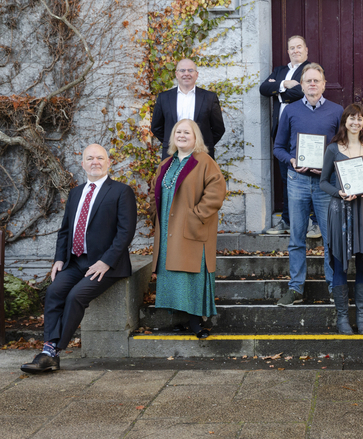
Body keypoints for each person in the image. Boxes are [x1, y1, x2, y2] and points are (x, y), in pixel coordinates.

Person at [21, 144, 137, 374]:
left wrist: (106, 261)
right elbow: (65, 230)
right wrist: (58, 260)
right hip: (75, 261)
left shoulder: (121, 191)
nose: (95, 162)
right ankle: (48, 352)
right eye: (90, 158)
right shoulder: (76, 192)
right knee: (54, 291)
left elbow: (126, 232)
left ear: (108, 163)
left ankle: (51, 352)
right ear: (82, 163)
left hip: (106, 265)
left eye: (100, 158)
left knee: (75, 296)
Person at [273, 63, 343, 306]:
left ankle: (335, 287)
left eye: (317, 81)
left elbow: (343, 149)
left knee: (331, 237)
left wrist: (329, 166)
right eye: (308, 81)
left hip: (326, 183)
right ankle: (296, 288)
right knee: (296, 237)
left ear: (324, 85)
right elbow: (278, 148)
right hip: (298, 181)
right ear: (301, 86)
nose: (312, 84)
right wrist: (292, 160)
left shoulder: (337, 111)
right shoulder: (290, 111)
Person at [150, 119, 226, 338]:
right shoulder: (166, 164)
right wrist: (156, 216)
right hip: (167, 228)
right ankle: (181, 319)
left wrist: (196, 216)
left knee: (190, 273)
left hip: (191, 226)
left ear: (195, 138)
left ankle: (196, 322)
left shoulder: (204, 161)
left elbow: (216, 190)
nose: (181, 135)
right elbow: (156, 193)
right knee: (173, 274)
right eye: (178, 132)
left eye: (187, 132)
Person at [320, 104, 363, 335]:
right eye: (351, 119)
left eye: (360, 119)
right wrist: (339, 193)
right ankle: (343, 318)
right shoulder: (333, 149)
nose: (356, 123)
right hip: (340, 211)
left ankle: (362, 316)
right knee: (339, 263)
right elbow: (323, 182)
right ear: (344, 121)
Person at [259, 36, 319, 236]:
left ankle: (313, 222)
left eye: (299, 47)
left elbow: (305, 92)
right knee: (286, 176)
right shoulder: (280, 71)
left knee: (308, 176)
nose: (295, 51)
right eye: (291, 48)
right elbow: (263, 88)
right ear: (288, 51)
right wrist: (285, 83)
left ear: (306, 50)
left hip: (303, 129)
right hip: (281, 130)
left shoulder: (310, 69)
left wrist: (279, 92)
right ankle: (286, 220)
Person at [151, 58, 226, 159]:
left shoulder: (209, 98)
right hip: (172, 154)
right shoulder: (164, 98)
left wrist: (202, 144)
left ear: (196, 74)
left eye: (190, 70)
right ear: (177, 74)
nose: (186, 74)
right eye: (182, 70)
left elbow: (218, 129)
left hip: (201, 154)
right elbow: (156, 127)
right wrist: (174, 143)